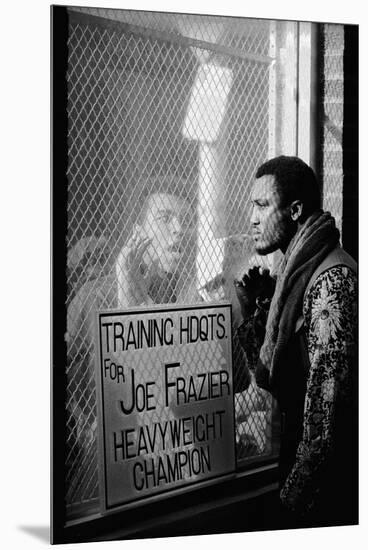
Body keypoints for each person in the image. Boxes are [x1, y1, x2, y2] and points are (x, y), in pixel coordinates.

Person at [235, 156, 357, 528]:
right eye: (251, 206)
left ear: (295, 210)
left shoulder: (332, 280)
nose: (252, 218)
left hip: (328, 491)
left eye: (262, 205)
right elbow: (278, 379)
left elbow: (328, 412)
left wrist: (291, 504)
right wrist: (257, 314)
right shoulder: (293, 273)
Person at [65, 188, 195, 501]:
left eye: (186, 221)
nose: (179, 229)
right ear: (139, 232)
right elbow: (83, 389)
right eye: (165, 219)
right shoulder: (95, 297)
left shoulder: (181, 296)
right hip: (112, 456)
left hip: (167, 457)